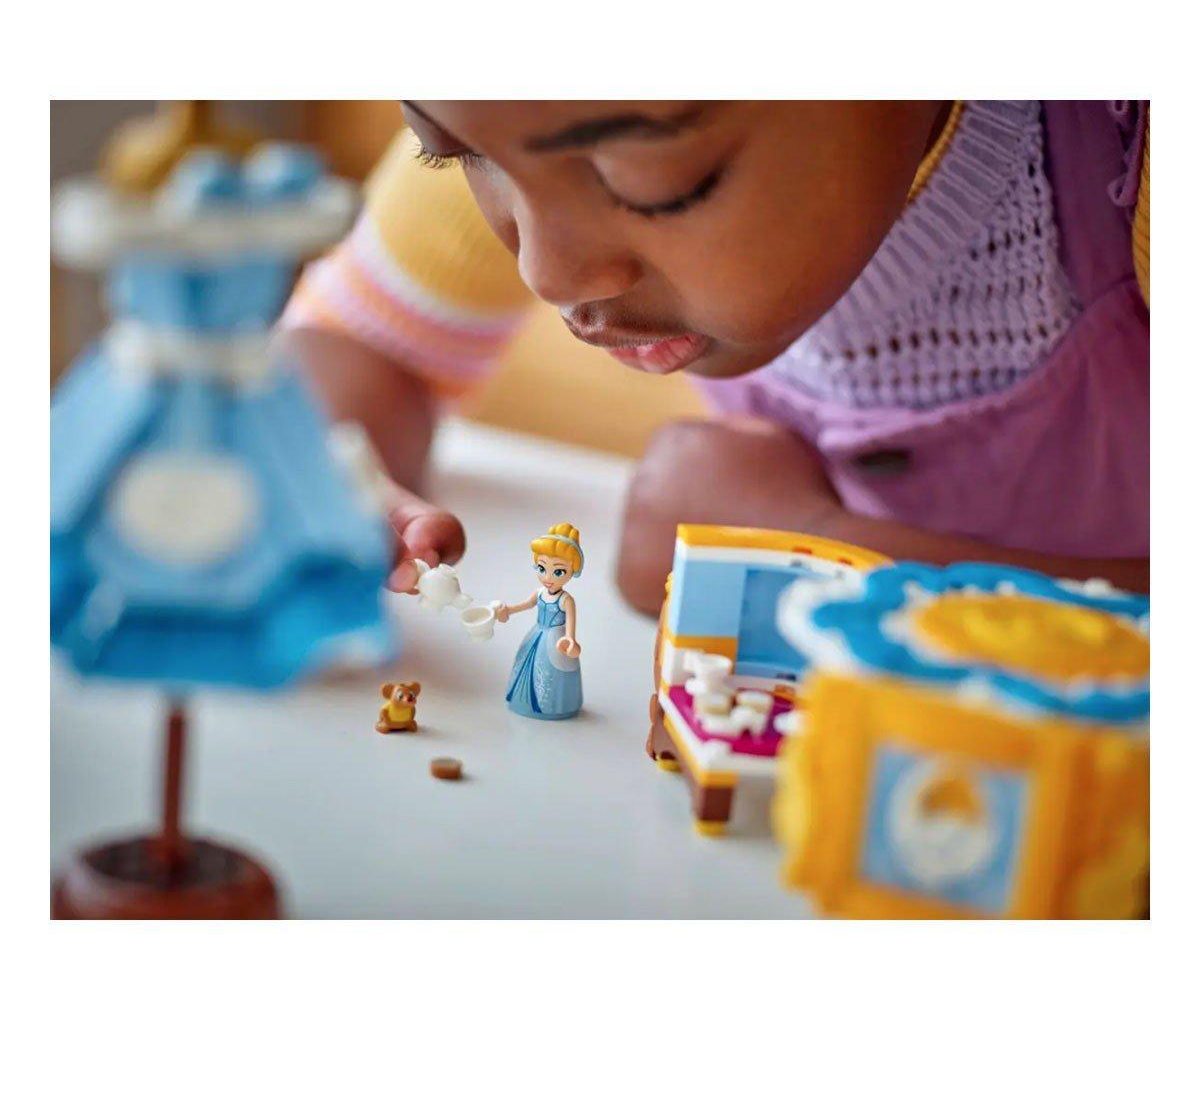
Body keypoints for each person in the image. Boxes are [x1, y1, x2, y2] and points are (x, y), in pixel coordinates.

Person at [283, 101, 1150, 613]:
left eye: (652, 184)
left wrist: (819, 557)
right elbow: (356, 345)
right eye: (453, 155)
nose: (549, 275)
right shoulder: (524, 116)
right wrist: (339, 484)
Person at [494, 523, 584, 720]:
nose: (548, 577)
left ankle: (554, 707)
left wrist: (570, 641)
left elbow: (571, 629)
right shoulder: (540, 593)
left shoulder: (566, 600)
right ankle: (524, 701)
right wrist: (508, 610)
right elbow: (526, 604)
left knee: (553, 673)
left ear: (573, 571)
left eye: (558, 572)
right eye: (542, 568)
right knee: (528, 665)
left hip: (556, 640)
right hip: (537, 635)